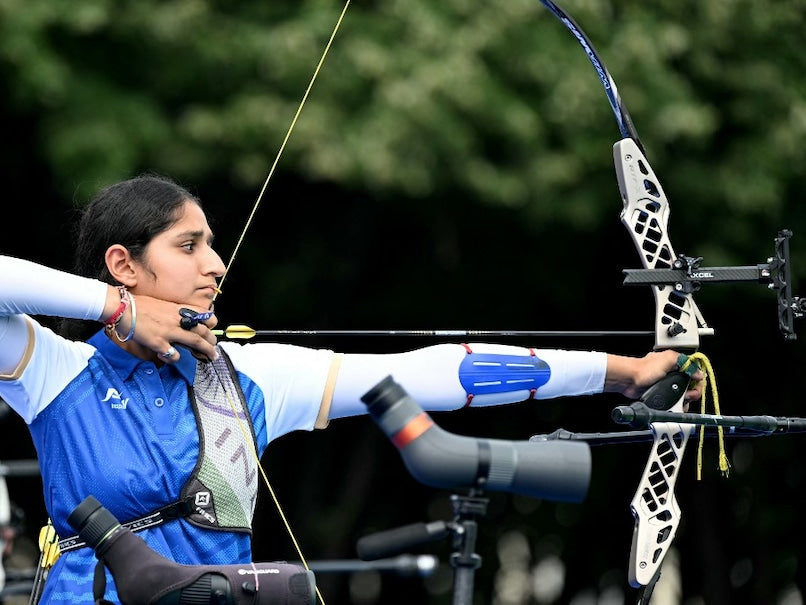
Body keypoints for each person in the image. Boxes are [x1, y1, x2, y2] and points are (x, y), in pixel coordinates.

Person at [0, 174, 702, 604]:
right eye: (188, 246)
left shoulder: (250, 376)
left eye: (212, 244)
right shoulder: (55, 370)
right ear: (122, 262)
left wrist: (624, 370)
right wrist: (116, 308)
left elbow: (435, 374)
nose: (215, 264)